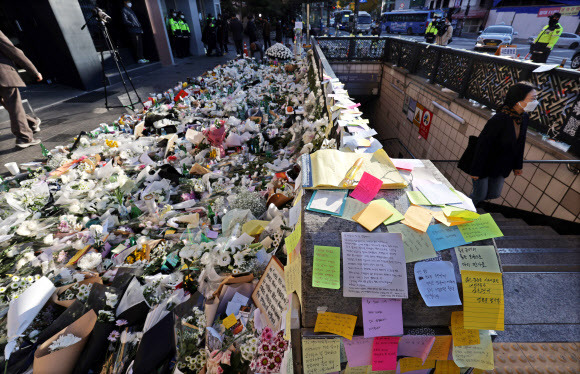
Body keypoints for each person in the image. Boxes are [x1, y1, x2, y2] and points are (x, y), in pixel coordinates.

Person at [468, 82, 538, 206]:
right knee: (479, 194)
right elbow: (483, 145)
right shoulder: (499, 119)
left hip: (502, 164)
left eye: (536, 98)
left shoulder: (523, 117)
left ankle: (473, 207)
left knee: (494, 194)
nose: (535, 102)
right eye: (532, 99)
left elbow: (520, 142)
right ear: (518, 100)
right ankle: (464, 211)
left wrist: (518, 166)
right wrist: (476, 170)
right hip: (485, 163)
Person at [0, 30, 42, 148]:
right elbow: (12, 50)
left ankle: (31, 123)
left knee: (11, 106)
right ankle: (24, 138)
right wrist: (33, 70)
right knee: (14, 105)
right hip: (3, 75)